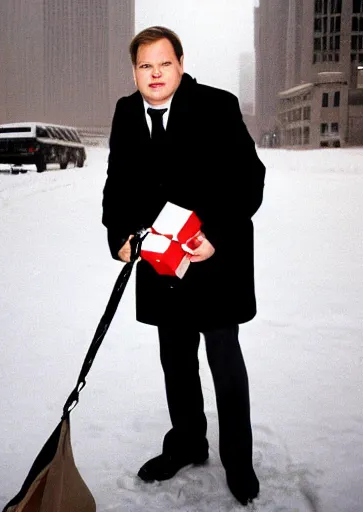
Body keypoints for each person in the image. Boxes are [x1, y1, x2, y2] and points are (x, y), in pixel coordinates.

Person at [101, 26, 266, 506]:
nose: (154, 74)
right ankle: (189, 443)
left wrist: (214, 235)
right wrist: (119, 235)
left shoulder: (217, 105)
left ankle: (239, 461)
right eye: (145, 66)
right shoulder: (126, 111)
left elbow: (249, 180)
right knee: (175, 359)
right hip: (161, 263)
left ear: (181, 63)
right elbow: (119, 183)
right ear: (134, 71)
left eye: (164, 63)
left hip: (214, 259)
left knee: (223, 360)